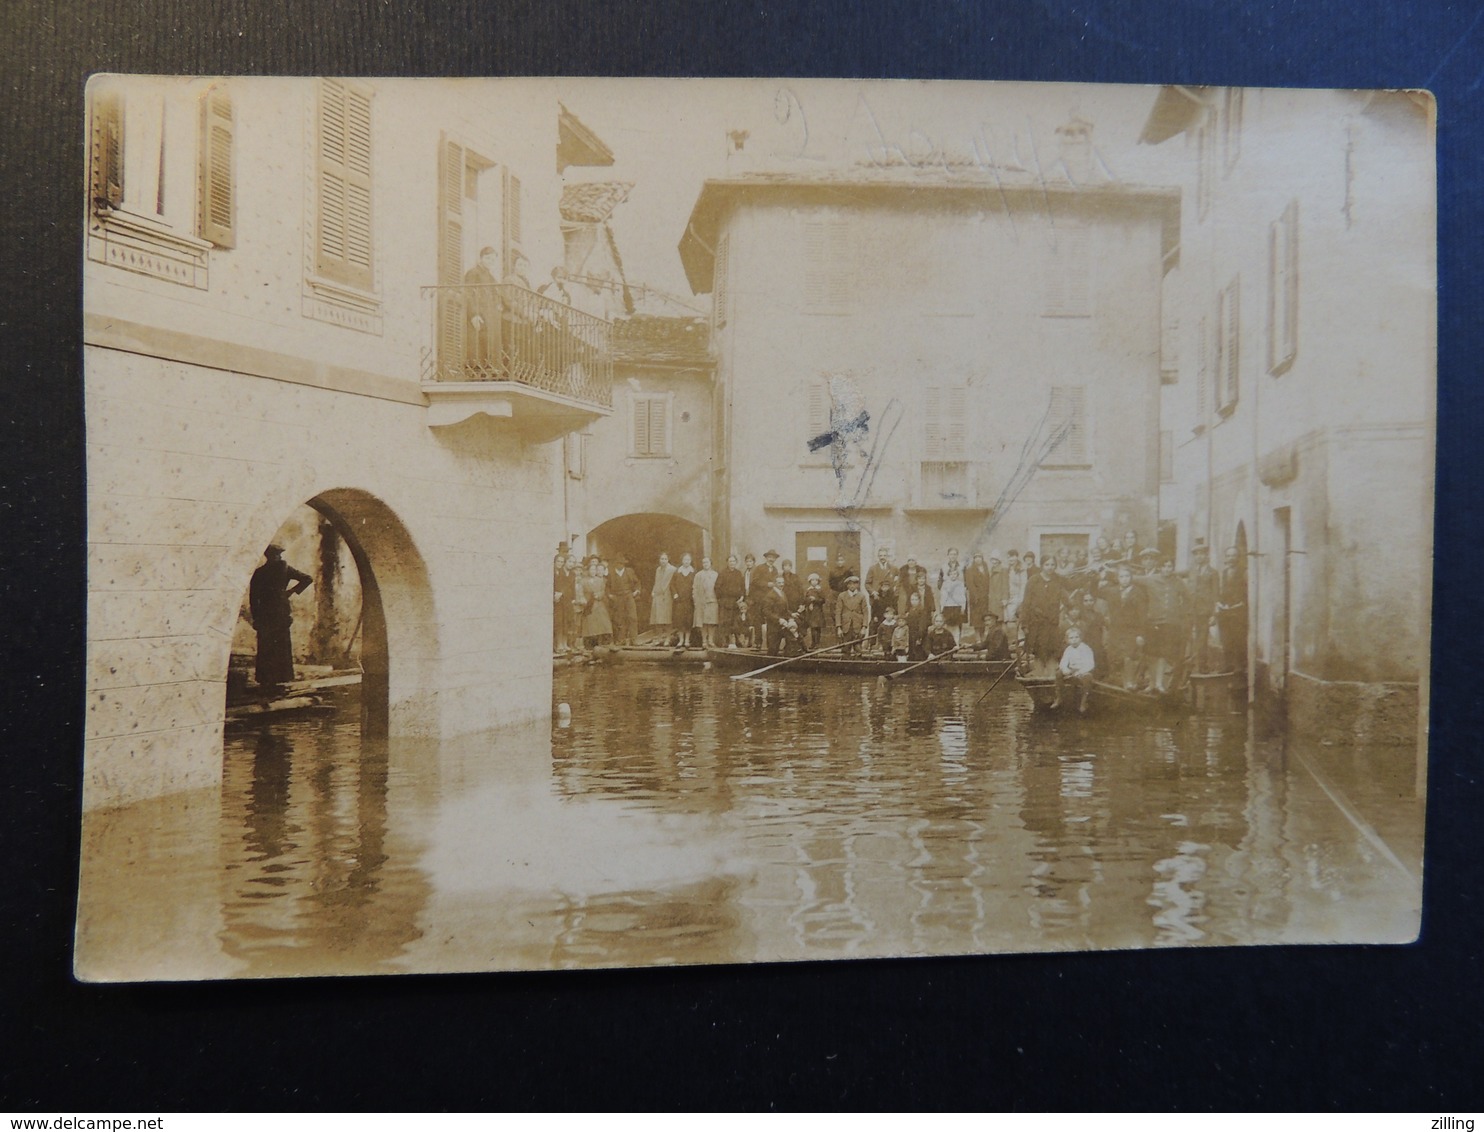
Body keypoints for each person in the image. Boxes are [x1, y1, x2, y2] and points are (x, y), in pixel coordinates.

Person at [249, 544, 312, 692]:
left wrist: (256, 617)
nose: (278, 557)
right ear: (272, 555)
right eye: (277, 554)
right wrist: (290, 592)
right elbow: (307, 579)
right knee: (278, 644)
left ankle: (267, 680)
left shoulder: (259, 572)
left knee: (268, 645)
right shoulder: (283, 569)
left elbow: (253, 599)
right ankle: (279, 678)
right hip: (278, 611)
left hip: (269, 613)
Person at [1106, 565, 1150, 690]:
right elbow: (1096, 592)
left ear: (1131, 578)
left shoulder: (1138, 593)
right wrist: (1096, 576)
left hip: (1132, 629)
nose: (1124, 579)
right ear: (1117, 578)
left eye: (1127, 576)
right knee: (1116, 654)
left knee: (1129, 654)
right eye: (1121, 577)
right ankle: (1120, 680)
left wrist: (1141, 634)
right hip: (1116, 629)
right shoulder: (1113, 591)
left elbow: (1142, 615)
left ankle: (1130, 682)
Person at [1020, 558, 1066, 675]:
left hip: (1051, 624)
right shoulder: (1033, 580)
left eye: (1052, 565)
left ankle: (1051, 677)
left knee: (1052, 652)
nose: (1050, 567)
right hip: (1037, 625)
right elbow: (1026, 603)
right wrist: (1024, 624)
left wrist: (1089, 576)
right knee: (1039, 653)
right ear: (1042, 566)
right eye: (1047, 564)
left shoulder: (1058, 579)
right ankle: (1039, 676)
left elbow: (1071, 584)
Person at [462, 246, 500, 376]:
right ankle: (474, 370)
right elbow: (467, 293)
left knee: (487, 341)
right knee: (476, 343)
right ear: (481, 258)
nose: (490, 262)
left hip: (489, 314)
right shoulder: (473, 273)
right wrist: (473, 314)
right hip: (478, 313)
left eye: (493, 260)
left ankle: (486, 368)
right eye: (488, 258)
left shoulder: (490, 276)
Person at [1186, 541, 1220, 672]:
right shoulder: (1192, 572)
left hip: (1204, 611)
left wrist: (1214, 614)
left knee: (1202, 639)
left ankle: (1202, 666)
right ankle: (1189, 665)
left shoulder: (1213, 573)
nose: (1199, 557)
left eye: (1202, 554)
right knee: (1188, 638)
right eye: (1196, 554)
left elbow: (1216, 594)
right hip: (1191, 610)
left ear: (1207, 556)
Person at [1217, 545, 1248, 675]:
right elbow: (1222, 591)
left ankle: (1239, 666)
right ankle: (1227, 665)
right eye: (1228, 556)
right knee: (1226, 639)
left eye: (1233, 555)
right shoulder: (1224, 572)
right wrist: (1220, 603)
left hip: (1238, 610)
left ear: (1238, 557)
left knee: (1238, 639)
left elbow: (1247, 592)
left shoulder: (1244, 571)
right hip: (1225, 610)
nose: (1231, 558)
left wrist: (1240, 604)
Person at [1052, 626, 1096, 713]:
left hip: (1083, 670)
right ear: (1067, 640)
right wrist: (1065, 670)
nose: (1074, 640)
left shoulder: (1086, 649)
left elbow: (1090, 664)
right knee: (1058, 674)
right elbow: (1063, 662)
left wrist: (1081, 672)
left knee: (1088, 678)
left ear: (1081, 638)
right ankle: (1059, 698)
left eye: (1076, 637)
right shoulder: (1068, 649)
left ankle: (1084, 702)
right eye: (1071, 638)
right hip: (1071, 669)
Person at [834, 575, 871, 657]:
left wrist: (864, 627)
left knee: (858, 649)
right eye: (850, 584)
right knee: (845, 649)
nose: (852, 586)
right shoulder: (842, 596)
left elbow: (865, 612)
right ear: (847, 585)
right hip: (846, 627)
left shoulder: (861, 596)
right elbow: (838, 612)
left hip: (857, 626)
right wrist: (839, 627)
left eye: (854, 584)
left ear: (857, 585)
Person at [580, 557, 613, 647]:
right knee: (590, 623)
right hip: (589, 604)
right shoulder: (583, 581)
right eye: (591, 569)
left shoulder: (600, 580)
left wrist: (599, 595)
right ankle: (590, 643)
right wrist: (584, 599)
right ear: (588, 570)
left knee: (603, 621)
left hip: (599, 603)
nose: (593, 571)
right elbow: (580, 592)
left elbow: (603, 590)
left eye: (595, 570)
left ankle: (604, 642)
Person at [715, 554, 746, 648]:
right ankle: (725, 641)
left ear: (736, 563)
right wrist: (721, 599)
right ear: (727, 563)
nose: (732, 563)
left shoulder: (738, 573)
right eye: (730, 561)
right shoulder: (722, 573)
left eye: (733, 561)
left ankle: (737, 640)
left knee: (736, 622)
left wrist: (741, 597)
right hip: (726, 601)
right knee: (725, 622)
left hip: (736, 602)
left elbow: (742, 587)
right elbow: (717, 588)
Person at [608, 555, 641, 646]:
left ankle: (634, 639)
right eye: (618, 563)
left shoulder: (629, 571)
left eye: (622, 563)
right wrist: (610, 595)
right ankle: (621, 639)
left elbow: (637, 582)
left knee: (632, 617)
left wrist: (637, 591)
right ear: (615, 564)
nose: (620, 565)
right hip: (617, 597)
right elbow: (607, 586)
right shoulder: (611, 573)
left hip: (629, 596)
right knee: (619, 619)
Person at [865, 548, 898, 632]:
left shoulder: (893, 568)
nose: (882, 557)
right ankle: (872, 643)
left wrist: (894, 590)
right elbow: (867, 583)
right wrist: (873, 592)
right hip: (877, 600)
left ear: (887, 556)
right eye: (880, 555)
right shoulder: (873, 568)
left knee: (889, 623)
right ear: (878, 556)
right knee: (875, 622)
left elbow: (898, 581)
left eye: (884, 555)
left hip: (889, 601)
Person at [552, 545, 576, 654]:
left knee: (567, 621)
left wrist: (573, 598)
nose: (570, 564)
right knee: (559, 622)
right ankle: (559, 644)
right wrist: (558, 594)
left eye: (573, 562)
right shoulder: (559, 573)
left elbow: (572, 587)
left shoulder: (572, 574)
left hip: (567, 600)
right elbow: (559, 586)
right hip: (559, 601)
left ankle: (565, 644)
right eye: (569, 562)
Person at [671, 552, 698, 648]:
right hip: (679, 600)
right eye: (685, 560)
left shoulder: (693, 573)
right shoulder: (677, 572)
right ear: (682, 561)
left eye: (688, 560)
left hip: (689, 600)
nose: (686, 562)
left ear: (690, 561)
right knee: (680, 620)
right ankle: (681, 640)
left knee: (688, 621)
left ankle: (687, 640)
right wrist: (675, 594)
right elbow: (672, 585)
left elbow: (696, 586)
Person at [693, 555, 719, 648]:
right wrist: (696, 601)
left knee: (711, 622)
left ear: (710, 563)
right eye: (703, 563)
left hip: (712, 600)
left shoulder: (715, 575)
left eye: (707, 562)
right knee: (702, 622)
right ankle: (704, 641)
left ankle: (710, 640)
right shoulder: (698, 575)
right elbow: (694, 588)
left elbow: (719, 588)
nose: (705, 564)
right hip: (701, 601)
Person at [649, 552, 676, 642]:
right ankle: (660, 638)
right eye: (662, 559)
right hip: (658, 595)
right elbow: (656, 582)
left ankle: (668, 638)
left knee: (667, 618)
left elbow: (673, 583)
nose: (663, 561)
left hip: (667, 595)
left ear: (668, 560)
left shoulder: (672, 569)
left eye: (665, 559)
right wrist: (653, 591)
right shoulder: (658, 569)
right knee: (658, 618)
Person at [939, 562, 967, 643]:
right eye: (951, 574)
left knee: (956, 626)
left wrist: (963, 607)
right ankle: (948, 643)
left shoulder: (960, 584)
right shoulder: (945, 584)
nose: (953, 575)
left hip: (956, 607)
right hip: (948, 607)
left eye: (955, 574)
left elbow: (962, 597)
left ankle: (956, 643)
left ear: (957, 575)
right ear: (948, 575)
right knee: (947, 625)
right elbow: (943, 597)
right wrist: (942, 607)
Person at [965, 552, 992, 630]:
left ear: (982, 558)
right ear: (974, 559)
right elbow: (970, 585)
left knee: (984, 618)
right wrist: (975, 596)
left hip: (985, 597)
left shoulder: (986, 568)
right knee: (976, 620)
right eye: (976, 557)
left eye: (979, 557)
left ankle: (984, 637)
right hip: (975, 598)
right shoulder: (970, 570)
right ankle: (978, 638)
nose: (978, 559)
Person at [801, 573, 828, 650]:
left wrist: (815, 600)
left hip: (818, 611)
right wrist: (809, 600)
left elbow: (823, 600)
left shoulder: (820, 590)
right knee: (812, 627)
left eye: (816, 580)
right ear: (810, 581)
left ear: (818, 581)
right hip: (811, 611)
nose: (814, 582)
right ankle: (813, 643)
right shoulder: (808, 590)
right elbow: (805, 600)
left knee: (817, 628)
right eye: (812, 580)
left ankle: (817, 643)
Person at [903, 590, 931, 661]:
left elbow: (923, 625)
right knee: (911, 652)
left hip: (918, 635)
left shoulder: (922, 610)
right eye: (912, 599)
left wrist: (920, 637)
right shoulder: (910, 610)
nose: (914, 601)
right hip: (911, 634)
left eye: (916, 599)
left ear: (919, 600)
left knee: (918, 653)